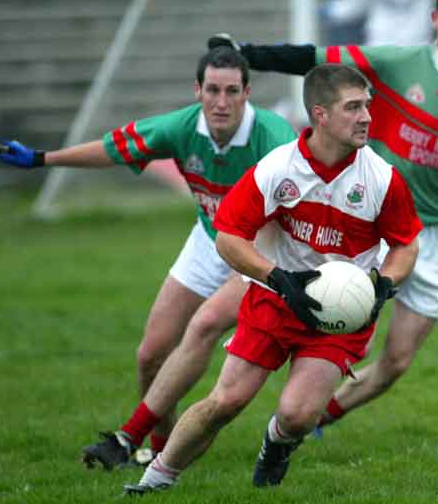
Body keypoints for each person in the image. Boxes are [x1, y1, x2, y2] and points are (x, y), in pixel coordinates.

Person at [207, 0, 438, 432]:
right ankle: (223, 378)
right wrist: (248, 53)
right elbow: (319, 61)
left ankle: (315, 418)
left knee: (396, 361)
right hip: (370, 225)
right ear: (434, 19)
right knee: (291, 306)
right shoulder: (399, 62)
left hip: (435, 238)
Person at [122, 63, 422, 494]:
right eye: (353, 108)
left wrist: (382, 284)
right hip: (275, 299)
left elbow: (406, 245)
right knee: (226, 401)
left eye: (367, 107)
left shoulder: (380, 178)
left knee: (298, 414)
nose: (366, 117)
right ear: (320, 114)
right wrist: (278, 278)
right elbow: (229, 237)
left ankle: (277, 443)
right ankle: (154, 479)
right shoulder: (278, 168)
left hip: (340, 315)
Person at [0, 46, 297, 467]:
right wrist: (42, 159)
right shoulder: (179, 128)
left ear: (248, 92)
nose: (222, 102)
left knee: (206, 324)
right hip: (208, 241)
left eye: (232, 91)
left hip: (261, 249)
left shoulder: (275, 138)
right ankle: (158, 452)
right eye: (213, 90)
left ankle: (126, 440)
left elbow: (310, 197)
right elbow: (113, 148)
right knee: (150, 355)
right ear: (198, 91)